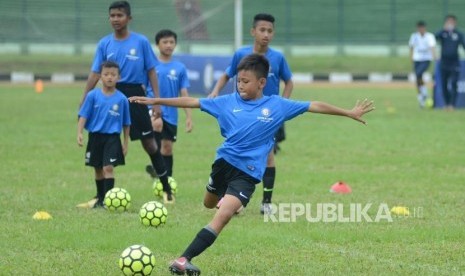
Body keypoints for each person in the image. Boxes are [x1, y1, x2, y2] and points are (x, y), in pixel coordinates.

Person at [129, 54, 375, 275]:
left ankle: (183, 259)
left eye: (245, 82)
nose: (240, 86)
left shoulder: (276, 105)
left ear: (261, 83)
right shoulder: (226, 102)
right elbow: (192, 101)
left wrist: (348, 112)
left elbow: (314, 105)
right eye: (238, 81)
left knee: (223, 215)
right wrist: (155, 101)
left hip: (247, 175)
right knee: (209, 203)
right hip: (223, 164)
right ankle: (225, 200)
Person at [78, 0, 174, 206]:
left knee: (150, 144)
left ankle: (167, 188)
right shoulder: (104, 43)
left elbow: (151, 71)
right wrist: (85, 96)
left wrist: (156, 101)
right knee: (101, 140)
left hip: (136, 95)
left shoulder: (140, 42)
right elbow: (96, 72)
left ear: (129, 18)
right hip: (110, 96)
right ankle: (101, 196)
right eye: (112, 15)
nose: (115, 19)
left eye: (119, 15)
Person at [209, 13, 294, 214]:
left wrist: (283, 105)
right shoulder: (241, 54)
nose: (266, 34)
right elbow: (227, 74)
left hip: (266, 117)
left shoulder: (278, 57)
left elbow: (289, 81)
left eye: (270, 31)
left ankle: (266, 203)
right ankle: (229, 198)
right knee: (234, 154)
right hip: (241, 115)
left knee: (269, 157)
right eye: (262, 30)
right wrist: (215, 91)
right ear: (253, 31)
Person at [77, 61, 130, 208]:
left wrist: (125, 143)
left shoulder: (122, 99)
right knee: (98, 168)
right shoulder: (92, 96)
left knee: (108, 168)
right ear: (100, 77)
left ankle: (109, 201)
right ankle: (100, 199)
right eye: (106, 74)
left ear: (119, 77)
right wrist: (79, 132)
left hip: (112, 138)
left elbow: (126, 123)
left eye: (113, 74)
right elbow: (83, 115)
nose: (109, 77)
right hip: (95, 137)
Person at [145, 29, 193, 179]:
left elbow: (184, 93)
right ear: (158, 44)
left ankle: (167, 180)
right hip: (152, 108)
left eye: (171, 42)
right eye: (165, 42)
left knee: (167, 148)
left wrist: (189, 116)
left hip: (172, 113)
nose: (168, 45)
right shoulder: (151, 65)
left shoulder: (180, 68)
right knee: (156, 124)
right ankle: (156, 164)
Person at [435, 14, 465, 110]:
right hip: (444, 62)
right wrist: (444, 30)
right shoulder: (443, 34)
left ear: (455, 23)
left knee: (454, 83)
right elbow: (434, 38)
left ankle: (452, 104)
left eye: (452, 22)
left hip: (454, 62)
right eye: (448, 22)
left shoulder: (458, 34)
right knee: (444, 84)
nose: (450, 24)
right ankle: (446, 104)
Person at [409, 20, 436, 108]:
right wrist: (411, 57)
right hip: (417, 59)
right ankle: (421, 98)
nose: (421, 29)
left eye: (422, 27)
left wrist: (434, 57)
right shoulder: (414, 36)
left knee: (419, 73)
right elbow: (412, 47)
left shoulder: (429, 36)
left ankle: (424, 93)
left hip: (426, 59)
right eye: (419, 28)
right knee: (418, 78)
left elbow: (432, 47)